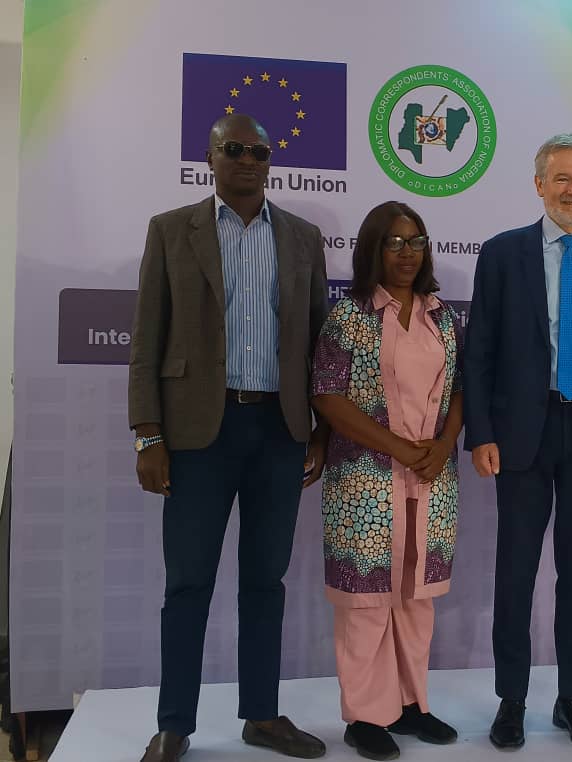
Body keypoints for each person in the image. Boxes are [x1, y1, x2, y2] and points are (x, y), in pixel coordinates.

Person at [128, 114, 328, 761]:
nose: (247, 159)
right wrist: (147, 434)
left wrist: (320, 430)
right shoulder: (171, 231)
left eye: (259, 151)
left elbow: (320, 344)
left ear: (271, 161)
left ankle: (262, 716)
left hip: (279, 430)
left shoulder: (303, 237)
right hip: (195, 436)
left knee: (266, 581)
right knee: (188, 583)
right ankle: (174, 724)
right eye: (233, 149)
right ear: (210, 157)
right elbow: (146, 339)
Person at [463, 133, 572, 749]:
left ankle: (571, 699)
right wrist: (481, 432)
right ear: (539, 185)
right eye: (562, 179)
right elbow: (479, 350)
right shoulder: (502, 253)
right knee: (516, 570)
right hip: (521, 432)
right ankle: (511, 700)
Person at [310, 201, 462, 761]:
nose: (406, 252)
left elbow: (460, 389)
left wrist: (442, 447)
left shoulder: (442, 316)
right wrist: (398, 448)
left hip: (431, 478)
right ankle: (365, 717)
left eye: (415, 241)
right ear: (373, 249)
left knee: (416, 599)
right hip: (364, 483)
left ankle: (411, 705)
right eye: (394, 242)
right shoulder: (349, 316)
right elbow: (327, 395)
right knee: (367, 602)